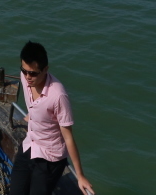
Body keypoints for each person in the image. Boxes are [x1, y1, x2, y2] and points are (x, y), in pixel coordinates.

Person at [10, 41, 95, 195]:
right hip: (31, 143)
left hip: (50, 157)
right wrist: (35, 115)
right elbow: (36, 104)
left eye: (33, 73)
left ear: (45, 70)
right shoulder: (25, 77)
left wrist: (80, 175)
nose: (28, 77)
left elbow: (68, 137)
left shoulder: (58, 96)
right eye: (24, 71)